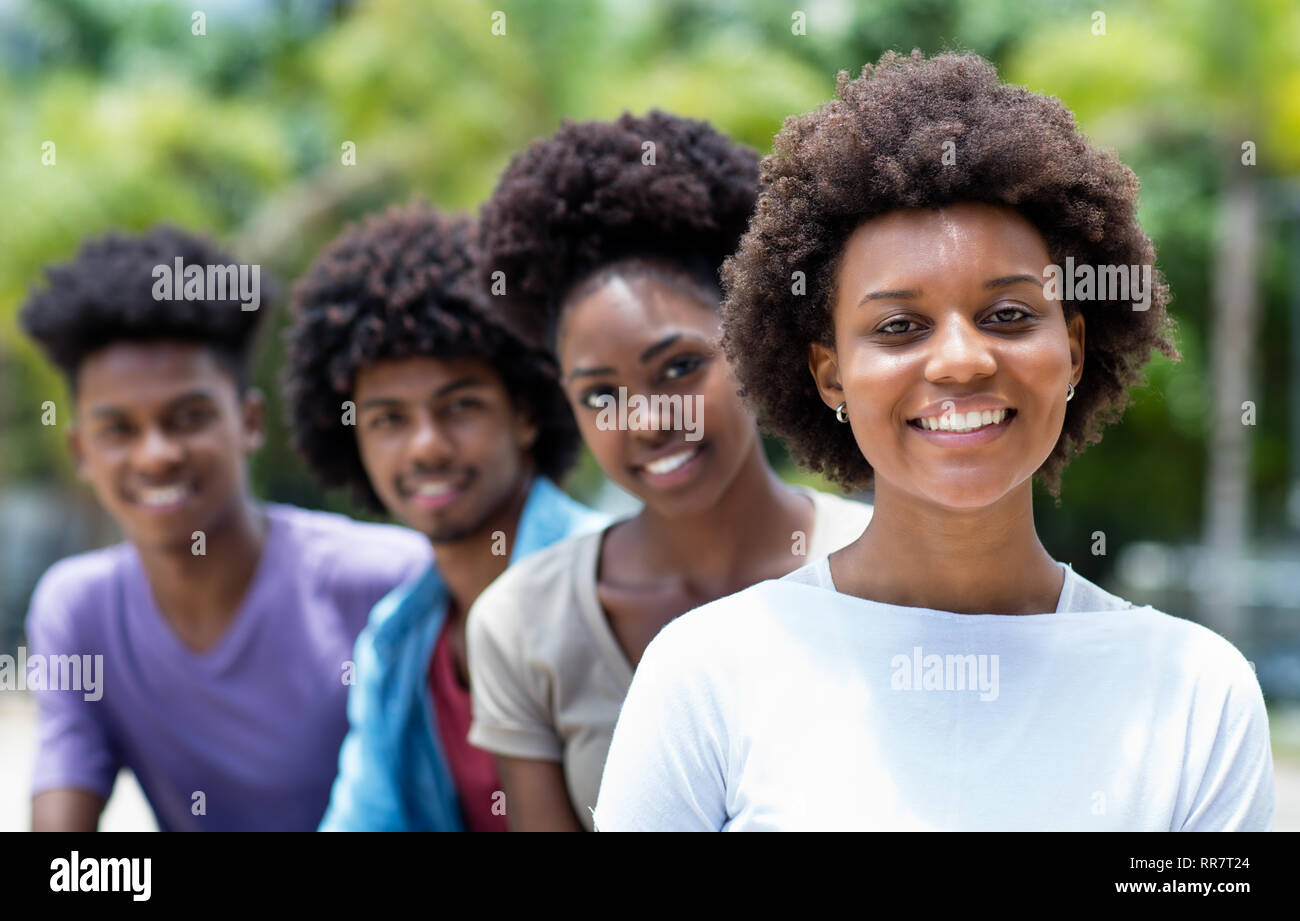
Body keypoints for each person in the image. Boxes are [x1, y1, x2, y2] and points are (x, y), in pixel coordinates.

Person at [593, 51, 1275, 831]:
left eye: (1010, 315)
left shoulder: (1194, 692)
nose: (961, 359)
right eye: (898, 327)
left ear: (1076, 349)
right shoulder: (708, 673)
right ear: (831, 375)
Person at [467, 110, 874, 831]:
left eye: (680, 367)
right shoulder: (523, 624)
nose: (649, 420)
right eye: (600, 394)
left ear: (751, 343)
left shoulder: (892, 568)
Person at [19, 225, 432, 831]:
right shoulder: (79, 610)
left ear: (250, 421)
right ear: (81, 451)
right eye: (119, 430)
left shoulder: (384, 580)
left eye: (188, 417)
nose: (156, 455)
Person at [284, 201, 607, 831]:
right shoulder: (396, 639)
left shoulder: (614, 584)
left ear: (526, 413)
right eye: (389, 420)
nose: (425, 446)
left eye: (459, 406)